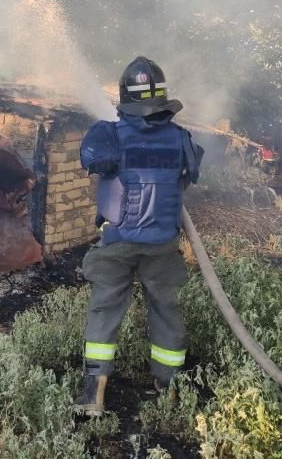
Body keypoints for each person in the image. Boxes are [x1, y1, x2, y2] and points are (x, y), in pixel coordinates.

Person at [74, 56, 203, 416]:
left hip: (117, 242)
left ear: (124, 96)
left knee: (105, 309)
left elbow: (92, 161)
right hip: (162, 245)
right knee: (166, 311)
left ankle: (94, 395)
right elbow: (186, 178)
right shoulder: (181, 138)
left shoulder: (108, 134)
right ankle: (169, 391)